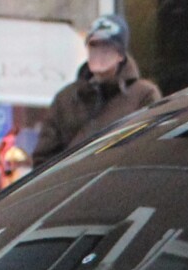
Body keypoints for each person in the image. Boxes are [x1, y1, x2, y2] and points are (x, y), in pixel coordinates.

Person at [32, 15, 160, 166]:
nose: (99, 53)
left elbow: (151, 151)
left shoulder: (143, 95)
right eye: (94, 45)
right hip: (73, 185)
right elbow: (43, 159)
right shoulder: (65, 98)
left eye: (107, 47)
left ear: (120, 54)